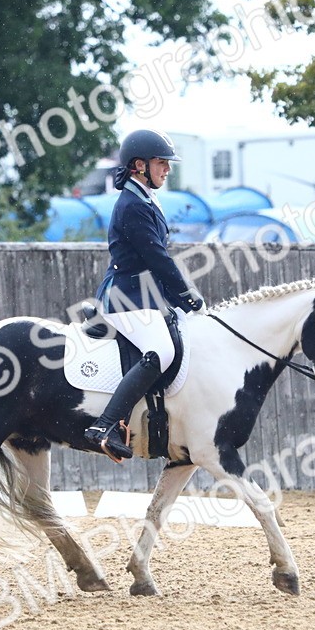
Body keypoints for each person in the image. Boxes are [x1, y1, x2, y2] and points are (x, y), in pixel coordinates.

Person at [84, 129, 206, 461]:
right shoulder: (132, 205)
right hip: (125, 298)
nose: (167, 169)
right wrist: (186, 294)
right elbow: (156, 258)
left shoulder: (144, 199)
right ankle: (105, 426)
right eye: (161, 163)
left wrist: (180, 302)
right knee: (161, 351)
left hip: (145, 296)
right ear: (139, 166)